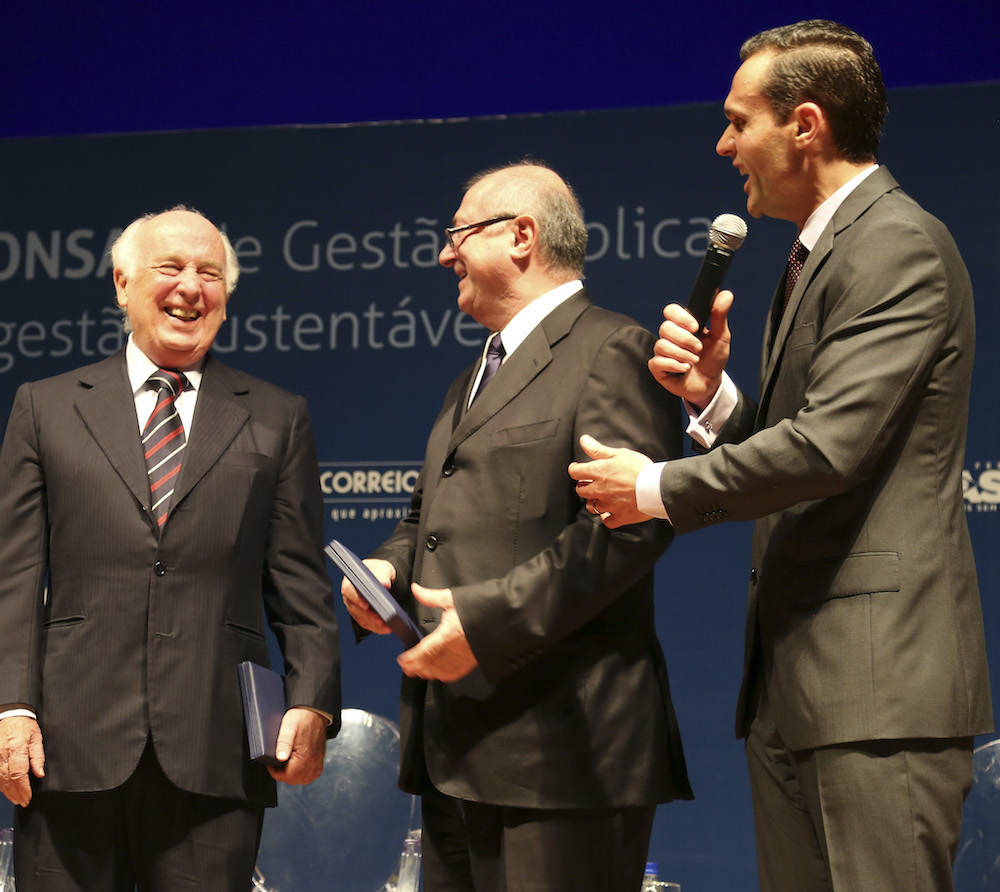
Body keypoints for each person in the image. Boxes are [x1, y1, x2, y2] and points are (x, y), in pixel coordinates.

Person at [570, 20, 993, 891]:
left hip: (878, 686)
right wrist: (716, 400)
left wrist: (652, 486)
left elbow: (830, 449)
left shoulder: (895, 245)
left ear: (806, 125)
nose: (724, 144)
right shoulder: (818, 252)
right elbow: (809, 440)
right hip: (801, 685)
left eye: (739, 121)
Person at [340, 161, 691, 892]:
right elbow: (425, 518)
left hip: (563, 753)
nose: (445, 254)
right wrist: (389, 568)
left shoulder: (612, 351)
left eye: (459, 234)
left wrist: (487, 619)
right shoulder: (473, 375)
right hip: (455, 749)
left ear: (522, 237)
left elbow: (628, 527)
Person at [0, 207, 342, 891]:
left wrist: (313, 701)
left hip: (215, 756)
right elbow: (13, 577)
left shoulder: (277, 416)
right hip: (69, 751)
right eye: (172, 267)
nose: (192, 286)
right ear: (123, 284)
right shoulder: (45, 407)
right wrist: (13, 710)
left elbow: (299, 583)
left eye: (210, 273)